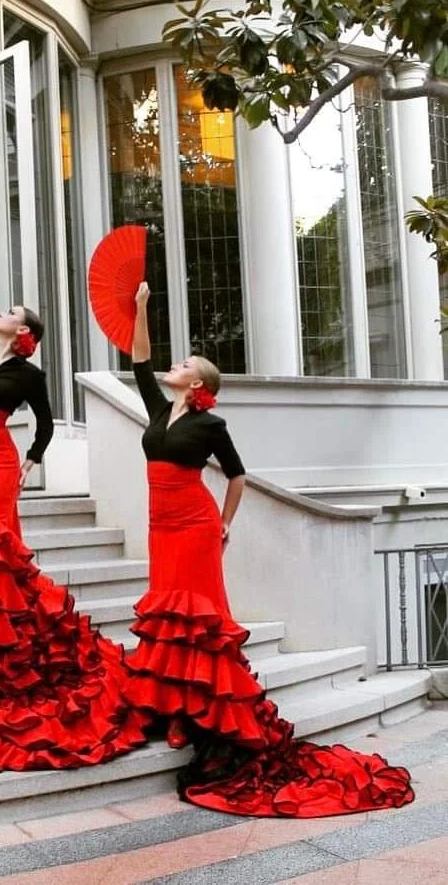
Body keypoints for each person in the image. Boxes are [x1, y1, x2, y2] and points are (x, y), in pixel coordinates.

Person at [124, 281, 414, 818]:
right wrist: (141, 308)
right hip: (159, 525)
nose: (174, 364)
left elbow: (236, 476)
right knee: (166, 614)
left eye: (185, 362)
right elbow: (139, 359)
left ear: (199, 382)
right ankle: (173, 708)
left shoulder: (212, 424)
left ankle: (195, 714)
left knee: (199, 617)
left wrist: (226, 524)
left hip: (195, 525)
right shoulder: (158, 410)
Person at [0, 219, 148, 771]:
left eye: (11, 310)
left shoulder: (29, 374)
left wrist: (30, 463)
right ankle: (9, 622)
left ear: (23, 330)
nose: (0, 312)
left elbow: (47, 425)